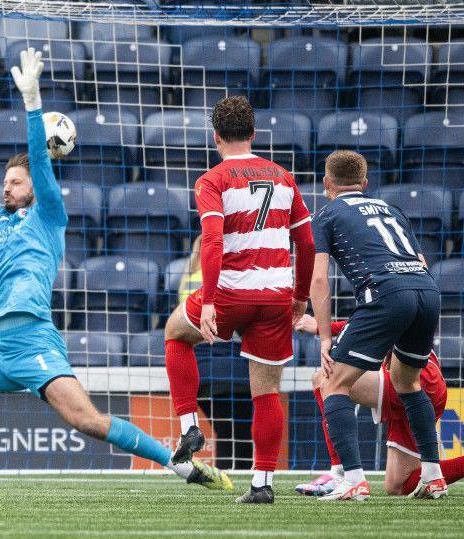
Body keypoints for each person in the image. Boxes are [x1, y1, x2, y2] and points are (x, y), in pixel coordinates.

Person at [0, 48, 233, 491]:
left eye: (16, 182)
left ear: (36, 185)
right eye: (5, 181)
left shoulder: (48, 214)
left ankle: (179, 465)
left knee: (88, 421)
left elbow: (38, 158)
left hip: (36, 344)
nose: (7, 186)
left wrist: (33, 102)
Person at [162, 96, 316, 504]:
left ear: (215, 138)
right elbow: (307, 241)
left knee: (176, 333)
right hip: (277, 295)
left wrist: (209, 300)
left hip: (231, 291)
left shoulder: (212, 180)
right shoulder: (283, 176)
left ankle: (188, 426)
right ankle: (262, 484)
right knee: (266, 392)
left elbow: (212, 240)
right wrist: (301, 297)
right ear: (253, 134)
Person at [310, 150, 445, 501]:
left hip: (386, 291)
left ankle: (352, 478)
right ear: (365, 184)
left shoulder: (326, 213)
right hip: (427, 290)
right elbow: (420, 261)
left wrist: (325, 337)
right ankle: (433, 475)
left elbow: (320, 281)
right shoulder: (392, 209)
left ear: (327, 184)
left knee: (331, 381)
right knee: (407, 381)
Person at [292, 314, 464, 497]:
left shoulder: (389, 289)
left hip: (416, 377)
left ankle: (340, 473)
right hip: (425, 380)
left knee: (324, 379)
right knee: (399, 485)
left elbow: (374, 317)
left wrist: (323, 328)